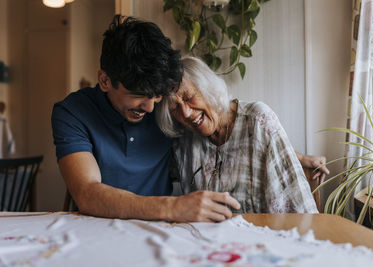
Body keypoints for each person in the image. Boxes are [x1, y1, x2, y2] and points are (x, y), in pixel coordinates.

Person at [52, 15, 241, 222]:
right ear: (105, 81)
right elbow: (87, 193)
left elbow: (216, 118)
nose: (151, 108)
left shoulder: (173, 108)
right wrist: (174, 207)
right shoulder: (72, 112)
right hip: (96, 227)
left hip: (158, 231)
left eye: (157, 95)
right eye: (138, 94)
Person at [156, 56, 321, 213]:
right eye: (174, 108)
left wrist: (298, 158)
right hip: (206, 240)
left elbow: (300, 209)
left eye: (188, 97)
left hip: (260, 237)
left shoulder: (257, 120)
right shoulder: (184, 140)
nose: (185, 113)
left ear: (207, 89)